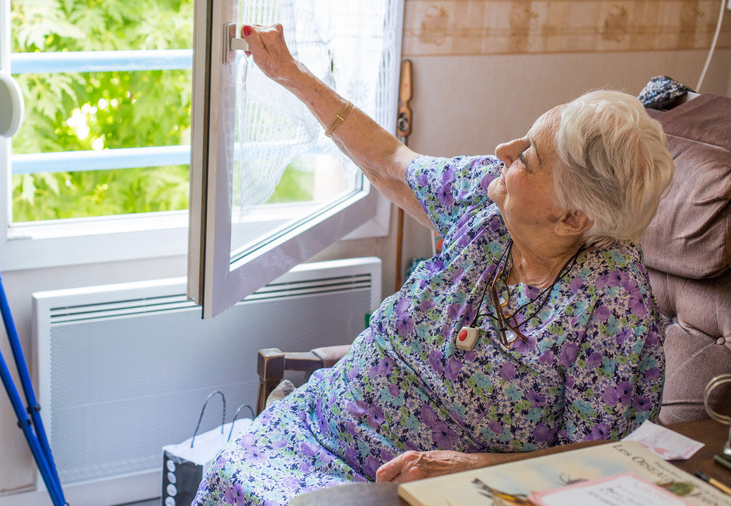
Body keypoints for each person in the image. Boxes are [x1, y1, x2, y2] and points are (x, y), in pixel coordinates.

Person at [194, 24, 674, 505]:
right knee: (228, 473)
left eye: (528, 158)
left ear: (572, 218)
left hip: (411, 487)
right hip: (315, 426)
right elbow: (390, 162)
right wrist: (290, 73)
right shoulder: (491, 198)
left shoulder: (612, 301)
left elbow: (595, 459)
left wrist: (467, 467)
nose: (504, 151)